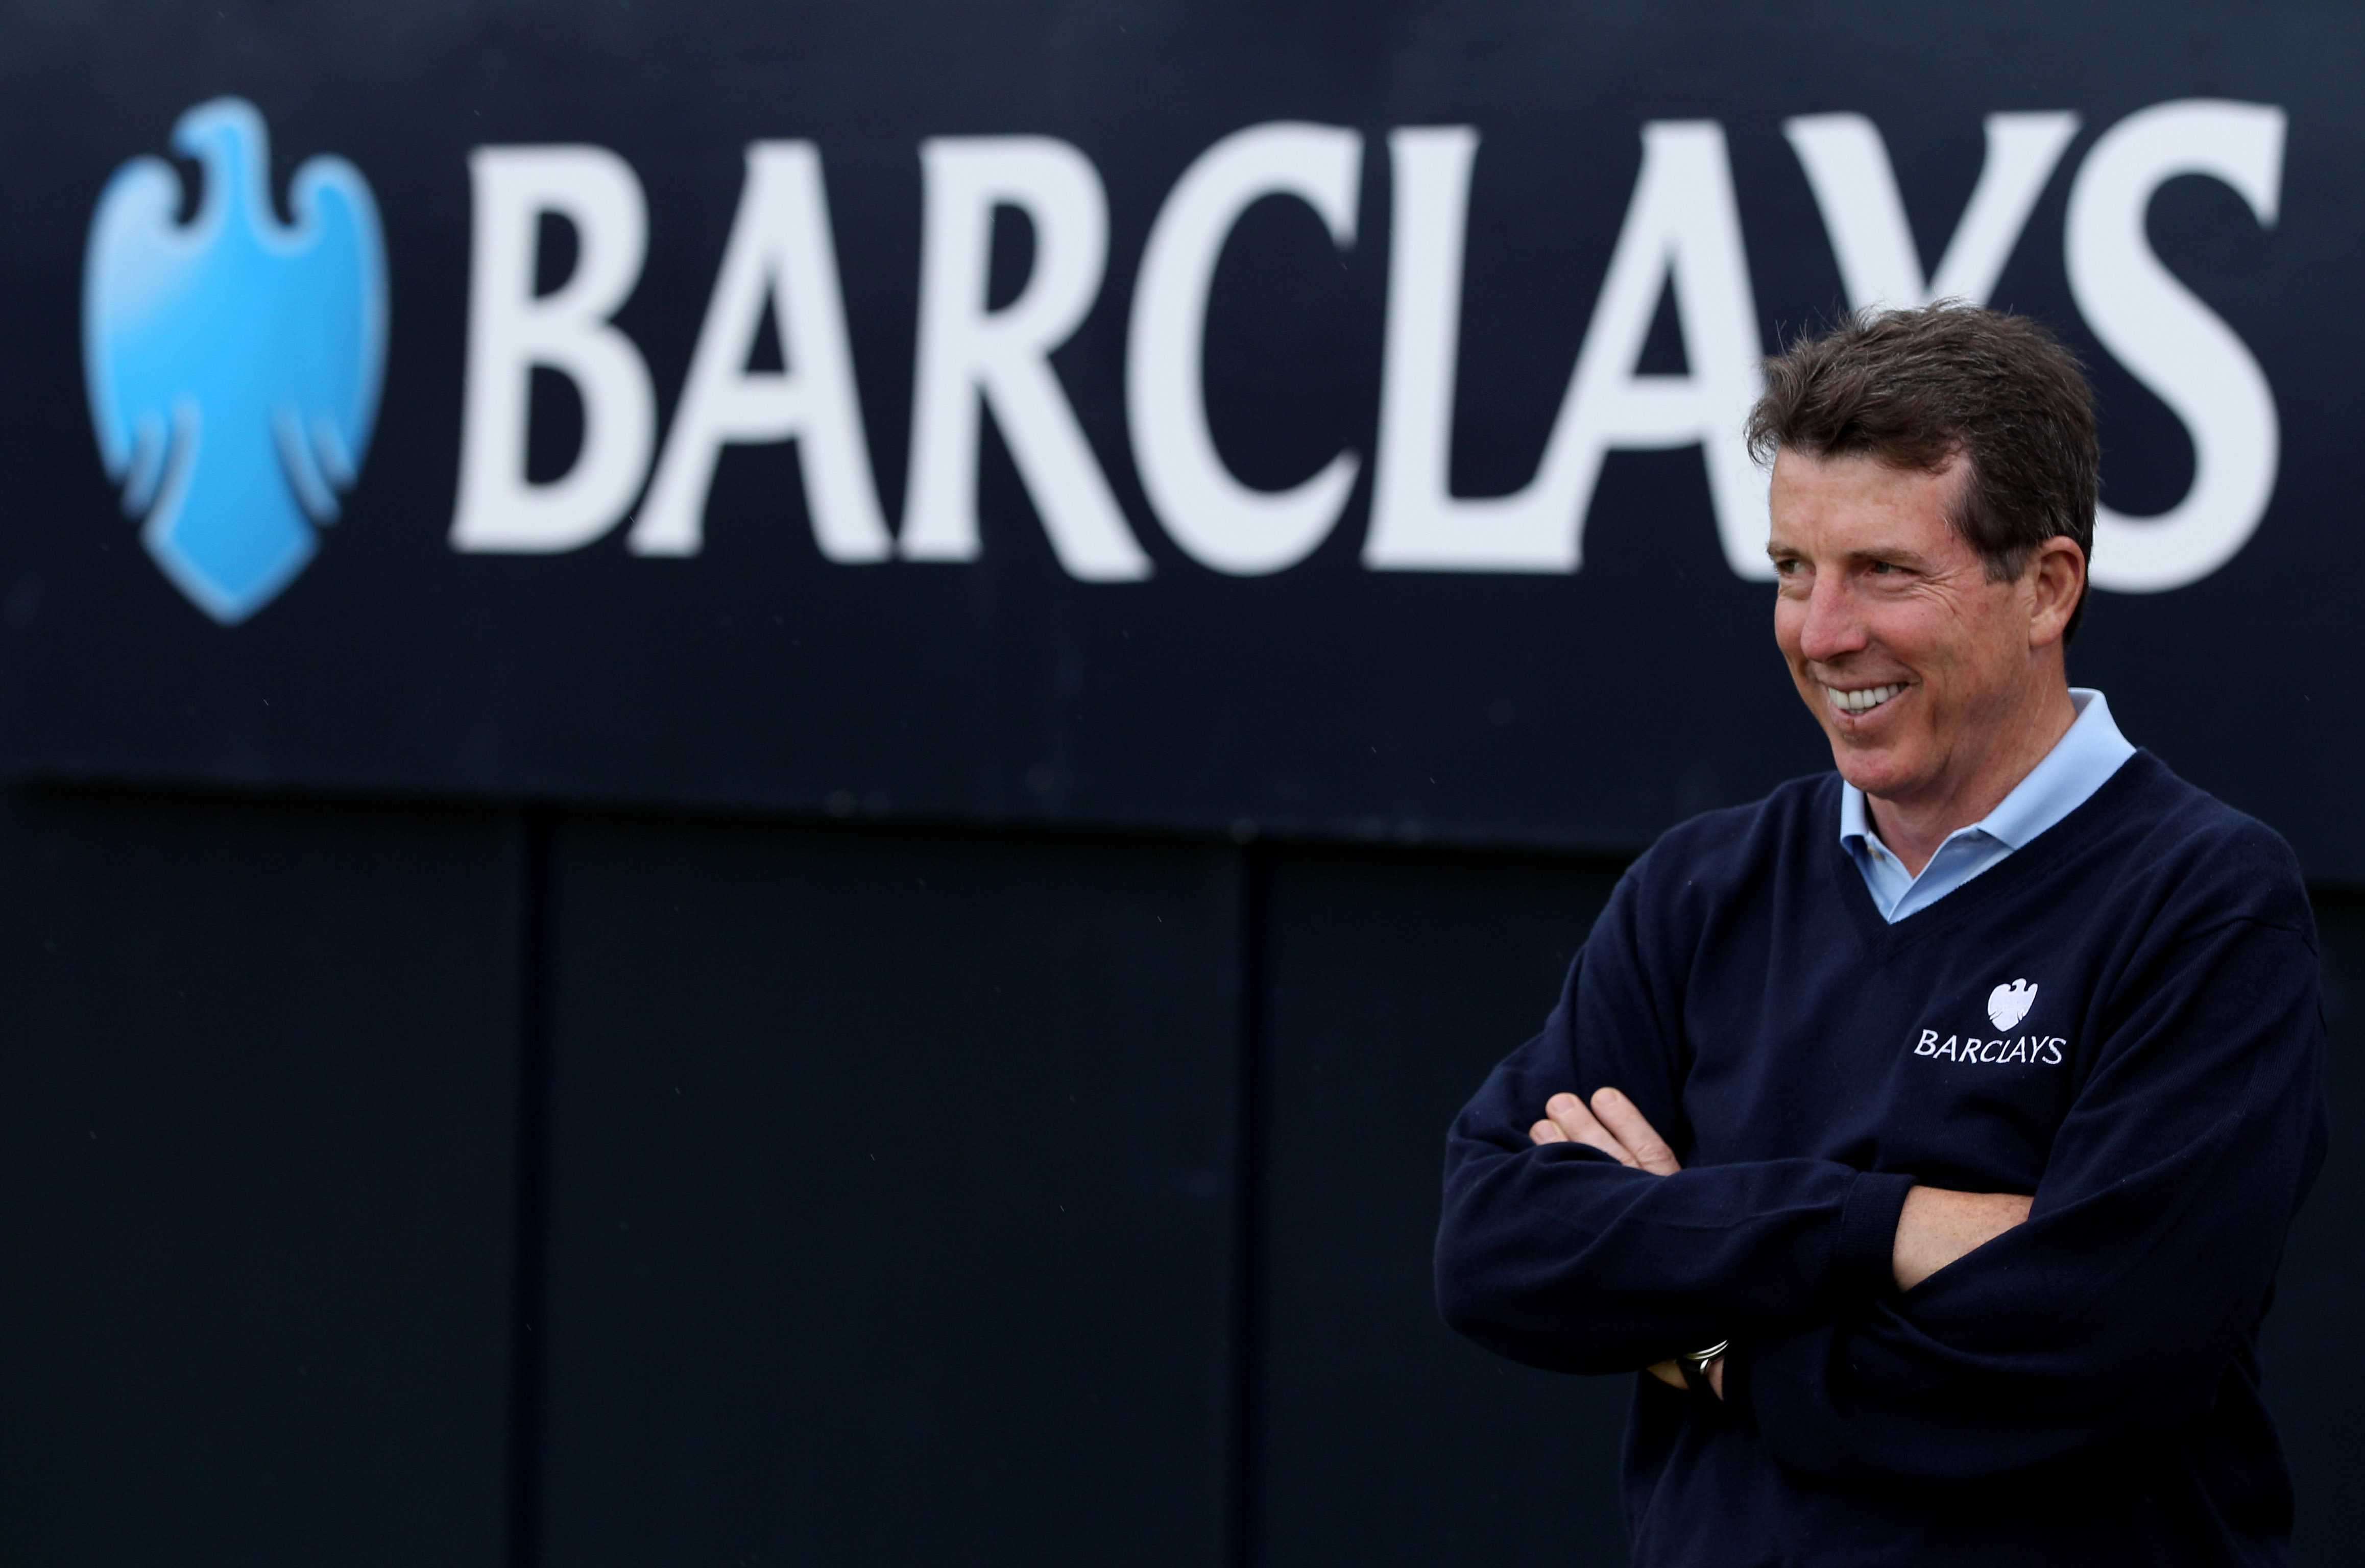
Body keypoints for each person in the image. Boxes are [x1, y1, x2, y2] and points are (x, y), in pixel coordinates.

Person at [1435, 304, 2326, 1566]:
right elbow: (1497, 1247)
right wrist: (1887, 1227)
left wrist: (1700, 1318)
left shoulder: (2205, 903)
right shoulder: (1703, 886)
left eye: (1885, 572)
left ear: (2047, 588)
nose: (1822, 632)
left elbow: (2102, 1354)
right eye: (1794, 568)